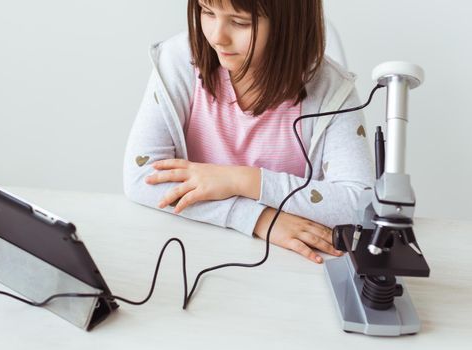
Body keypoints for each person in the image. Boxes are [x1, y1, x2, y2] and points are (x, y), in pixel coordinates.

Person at [123, 0, 373, 264]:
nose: (217, 37)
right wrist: (259, 218)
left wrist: (241, 180)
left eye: (240, 22)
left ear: (287, 26)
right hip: (190, 251)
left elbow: (360, 206)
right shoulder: (178, 61)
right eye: (207, 12)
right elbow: (142, 177)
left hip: (285, 267)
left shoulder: (332, 90)